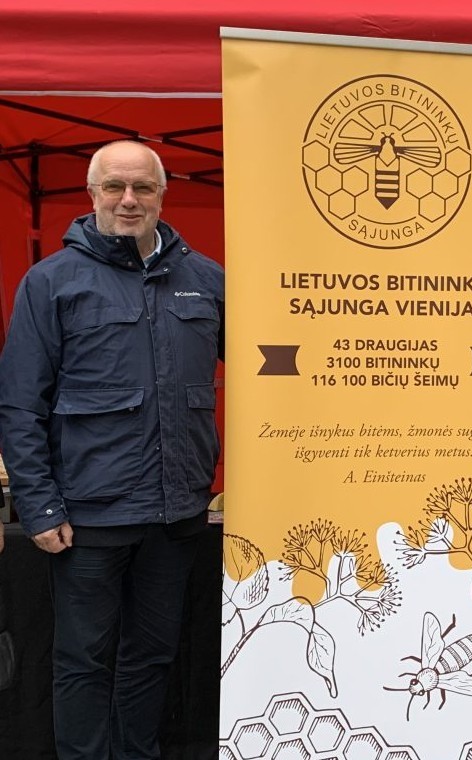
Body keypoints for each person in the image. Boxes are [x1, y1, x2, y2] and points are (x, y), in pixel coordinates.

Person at [0, 140, 224, 760]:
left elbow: (269, 372)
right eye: (114, 187)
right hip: (89, 515)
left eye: (143, 187)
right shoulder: (51, 282)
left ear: (162, 194)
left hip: (177, 511)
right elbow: (20, 403)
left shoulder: (206, 280)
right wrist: (40, 506)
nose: (129, 200)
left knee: (152, 657)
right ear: (92, 193)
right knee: (83, 660)